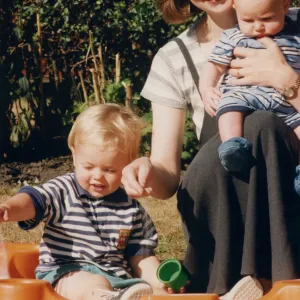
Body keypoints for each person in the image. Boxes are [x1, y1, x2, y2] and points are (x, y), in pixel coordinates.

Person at [121, 0, 300, 299]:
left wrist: (289, 82)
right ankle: (248, 283)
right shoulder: (173, 57)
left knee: (262, 126)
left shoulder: (295, 27)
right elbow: (166, 177)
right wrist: (147, 169)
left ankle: (273, 281)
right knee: (239, 142)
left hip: (288, 184)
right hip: (227, 200)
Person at [0, 104, 167, 300]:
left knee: (141, 287)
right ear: (74, 155)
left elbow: (142, 258)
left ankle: (119, 296)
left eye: (109, 170)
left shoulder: (131, 208)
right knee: (91, 284)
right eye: (88, 166)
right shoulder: (63, 191)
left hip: (118, 280)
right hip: (66, 273)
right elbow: (34, 200)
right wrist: (8, 209)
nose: (97, 176)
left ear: (129, 164)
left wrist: (160, 284)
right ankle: (106, 297)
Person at [199, 0, 300, 182]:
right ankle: (232, 146)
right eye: (248, 20)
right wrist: (206, 88)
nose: (258, 26)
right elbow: (214, 66)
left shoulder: (296, 36)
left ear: (285, 6)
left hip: (287, 102)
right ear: (235, 10)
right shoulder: (233, 36)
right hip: (244, 93)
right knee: (228, 109)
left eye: (267, 18)